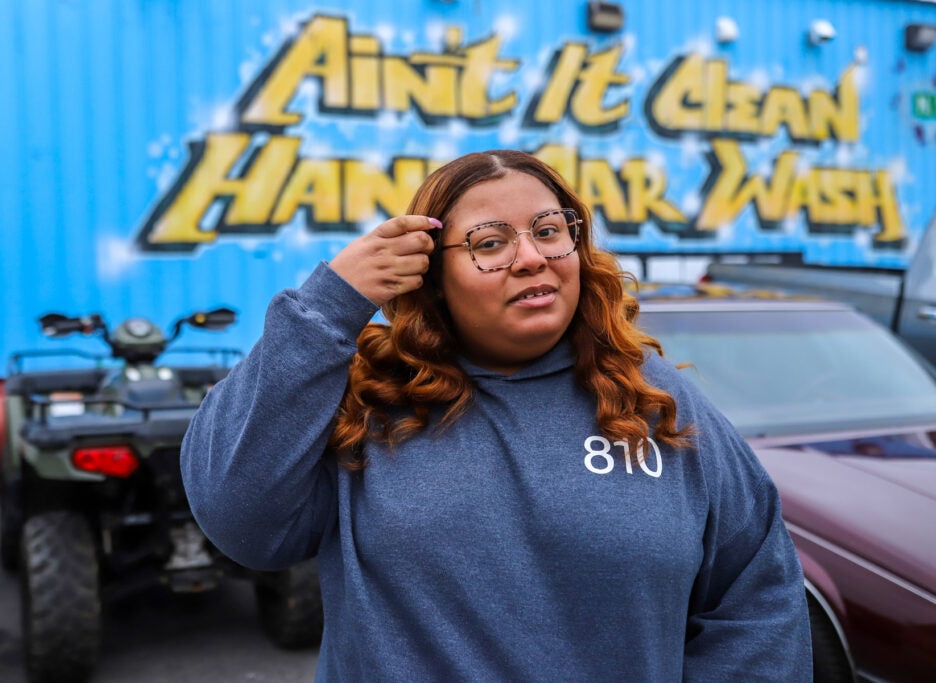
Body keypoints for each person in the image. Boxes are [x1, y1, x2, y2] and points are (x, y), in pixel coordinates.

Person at [181, 150, 813, 681]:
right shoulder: (371, 403)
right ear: (432, 277)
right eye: (489, 243)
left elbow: (757, 601)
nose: (531, 256)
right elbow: (242, 522)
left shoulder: (653, 401)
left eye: (547, 230)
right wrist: (327, 307)